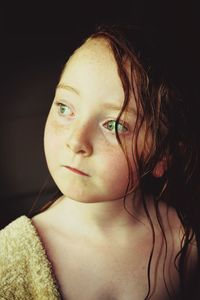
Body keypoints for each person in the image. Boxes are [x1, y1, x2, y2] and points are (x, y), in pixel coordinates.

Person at [0, 24, 199, 300]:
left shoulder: (184, 240)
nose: (76, 140)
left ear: (162, 155)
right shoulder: (11, 257)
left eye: (114, 125)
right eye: (64, 108)